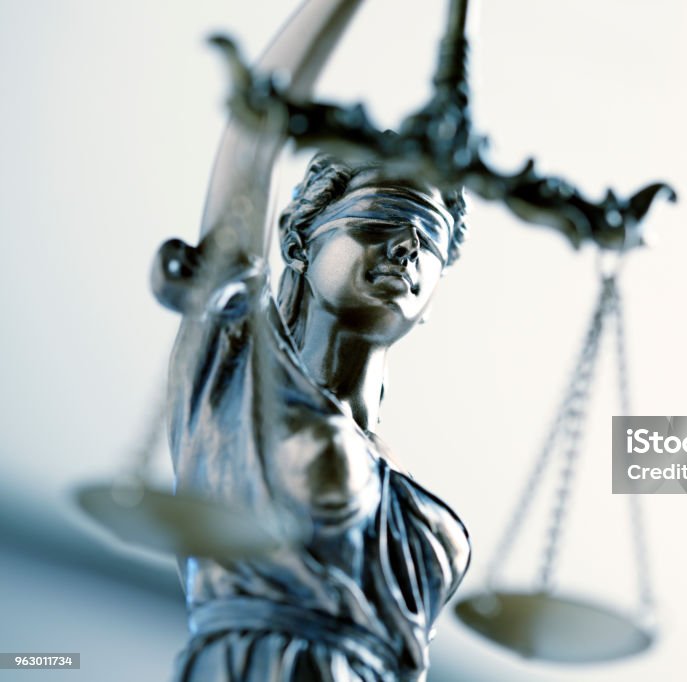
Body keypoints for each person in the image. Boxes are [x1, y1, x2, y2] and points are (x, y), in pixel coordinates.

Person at [149, 2, 471, 679]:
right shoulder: (238, 376)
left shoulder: (407, 495)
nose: (409, 248)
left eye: (432, 240)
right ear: (298, 239)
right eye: (382, 220)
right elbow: (254, 133)